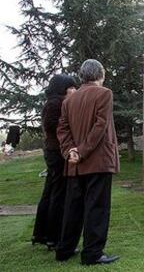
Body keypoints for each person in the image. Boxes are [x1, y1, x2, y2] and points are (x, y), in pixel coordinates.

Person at [56, 59, 120, 265]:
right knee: (97, 207)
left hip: (75, 164)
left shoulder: (69, 100)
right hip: (98, 161)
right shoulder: (104, 93)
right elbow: (100, 126)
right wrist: (81, 151)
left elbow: (62, 129)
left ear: (83, 76)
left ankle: (64, 250)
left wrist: (69, 152)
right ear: (100, 75)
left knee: (73, 208)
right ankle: (92, 254)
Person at [32, 74, 77, 250]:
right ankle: (54, 236)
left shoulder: (53, 102)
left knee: (50, 191)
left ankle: (42, 234)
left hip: (52, 151)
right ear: (63, 88)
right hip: (57, 152)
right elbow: (53, 126)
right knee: (59, 193)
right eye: (71, 87)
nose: (74, 90)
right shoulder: (57, 103)